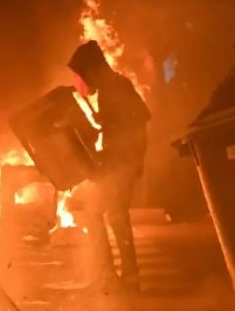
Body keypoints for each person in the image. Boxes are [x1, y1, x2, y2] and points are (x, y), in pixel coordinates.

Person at [68, 40, 150, 293]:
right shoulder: (110, 89)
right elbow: (122, 125)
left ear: (93, 70)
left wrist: (126, 159)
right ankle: (119, 276)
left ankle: (119, 277)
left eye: (83, 75)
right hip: (119, 162)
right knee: (108, 214)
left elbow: (139, 120)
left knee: (106, 214)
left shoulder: (117, 86)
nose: (84, 82)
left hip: (123, 163)